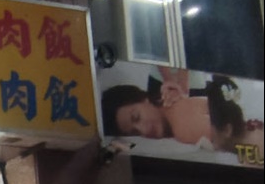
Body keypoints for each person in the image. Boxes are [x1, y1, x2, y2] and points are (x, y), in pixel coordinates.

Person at [102, 71, 263, 158]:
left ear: (146, 100)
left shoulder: (181, 123)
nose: (143, 131)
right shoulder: (172, 132)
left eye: (136, 117)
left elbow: (234, 142)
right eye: (135, 132)